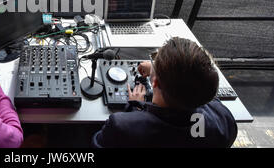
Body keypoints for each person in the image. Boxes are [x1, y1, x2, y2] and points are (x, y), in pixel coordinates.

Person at [92, 37, 237, 148]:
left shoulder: (121, 126)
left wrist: (135, 107)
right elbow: (199, 87)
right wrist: (159, 71)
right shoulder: (224, 121)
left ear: (154, 82)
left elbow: (97, 143)